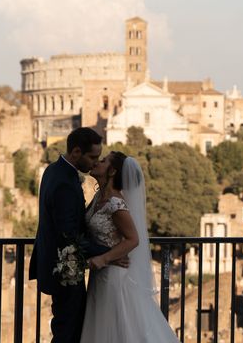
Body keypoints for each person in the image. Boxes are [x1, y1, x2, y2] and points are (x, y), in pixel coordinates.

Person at [80, 151, 179, 342]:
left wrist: (104, 258)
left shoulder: (115, 203)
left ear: (112, 172)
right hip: (99, 275)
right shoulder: (99, 197)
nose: (97, 162)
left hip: (113, 274)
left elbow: (133, 239)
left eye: (103, 161)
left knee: (117, 326)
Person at [29, 127, 113, 343]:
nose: (95, 162)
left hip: (57, 264)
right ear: (76, 152)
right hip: (65, 269)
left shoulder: (53, 170)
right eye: (92, 157)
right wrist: (109, 253)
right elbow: (69, 235)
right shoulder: (65, 183)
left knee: (67, 326)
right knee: (68, 331)